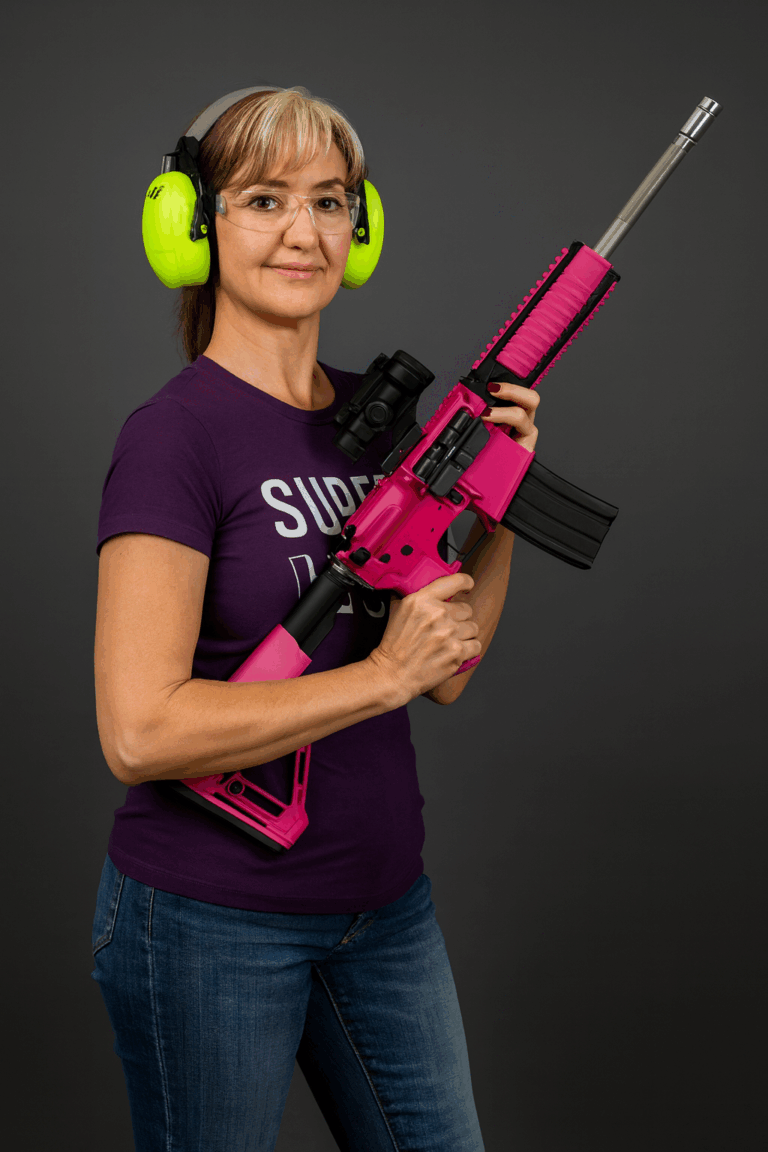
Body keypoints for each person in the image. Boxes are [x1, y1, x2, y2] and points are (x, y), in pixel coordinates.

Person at [92, 84, 540, 1152]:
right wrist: (377, 677)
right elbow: (140, 733)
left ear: (362, 228)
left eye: (333, 201)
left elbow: (447, 671)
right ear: (192, 225)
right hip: (208, 924)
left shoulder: (379, 424)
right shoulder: (175, 437)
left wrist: (498, 500)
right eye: (263, 199)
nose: (305, 231)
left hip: (384, 911)